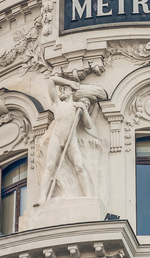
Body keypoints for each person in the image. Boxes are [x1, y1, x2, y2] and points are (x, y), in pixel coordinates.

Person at [35, 76, 101, 206]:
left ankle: (88, 196)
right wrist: (70, 83)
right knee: (49, 166)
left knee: (79, 166)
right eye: (61, 89)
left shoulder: (76, 107)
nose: (61, 91)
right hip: (56, 137)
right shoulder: (57, 104)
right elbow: (51, 81)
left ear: (72, 92)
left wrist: (82, 108)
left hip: (70, 139)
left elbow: (88, 125)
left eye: (65, 89)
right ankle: (42, 198)